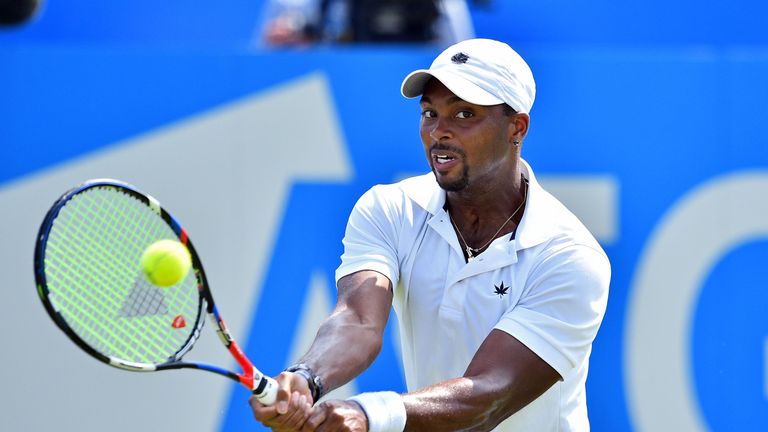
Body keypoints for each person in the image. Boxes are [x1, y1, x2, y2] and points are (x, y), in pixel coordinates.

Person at [250, 38, 611, 431]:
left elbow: (489, 394)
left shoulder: (569, 256)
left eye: (465, 114)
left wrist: (370, 414)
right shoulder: (389, 209)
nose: (439, 131)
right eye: (429, 113)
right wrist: (307, 377)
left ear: (516, 128)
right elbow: (357, 319)